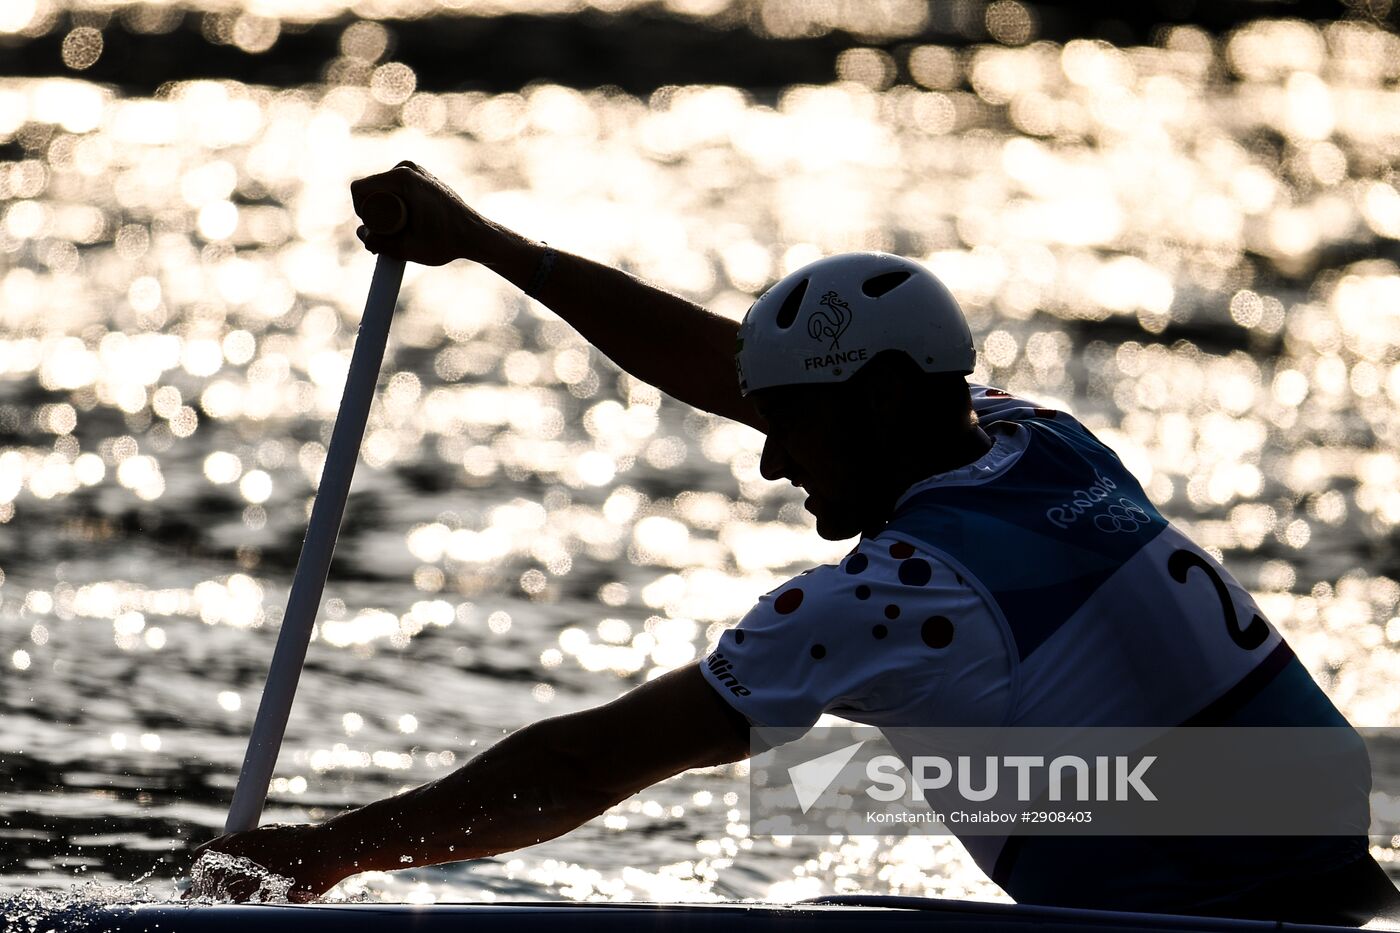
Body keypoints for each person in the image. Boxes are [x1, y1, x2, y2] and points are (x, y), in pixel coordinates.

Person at [191, 162, 1400, 923]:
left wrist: (320, 857)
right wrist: (494, 248)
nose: (770, 460)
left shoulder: (893, 598)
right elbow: (733, 367)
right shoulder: (1042, 442)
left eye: (793, 429)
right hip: (1350, 893)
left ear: (877, 401)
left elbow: (583, 770)